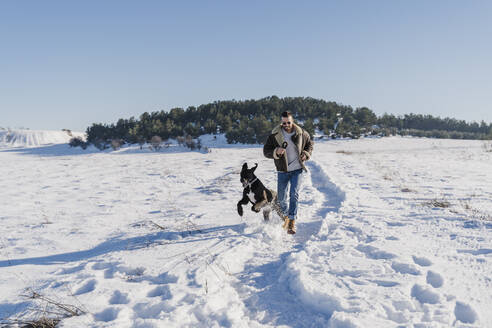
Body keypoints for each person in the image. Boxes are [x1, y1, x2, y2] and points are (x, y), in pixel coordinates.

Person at [263, 111, 314, 234]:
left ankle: (291, 221)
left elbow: (310, 144)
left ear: (292, 121)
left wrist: (306, 154)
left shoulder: (301, 133)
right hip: (283, 170)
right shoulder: (275, 134)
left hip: (297, 169)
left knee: (294, 194)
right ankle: (285, 217)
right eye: (284, 123)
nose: (286, 125)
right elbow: (266, 151)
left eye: (288, 122)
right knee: (281, 199)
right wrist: (276, 151)